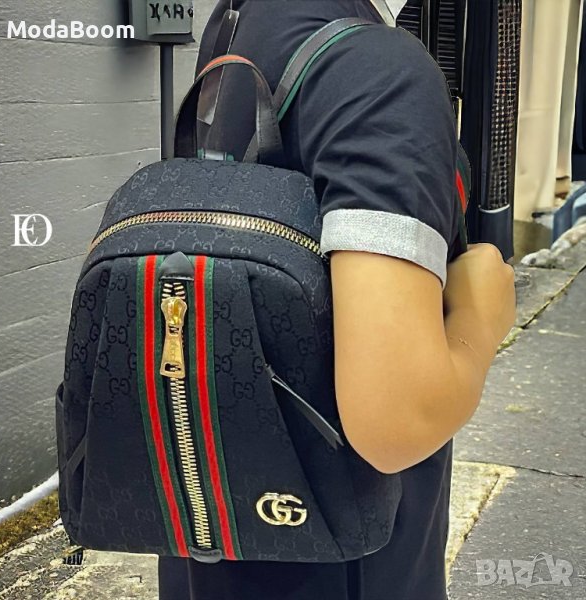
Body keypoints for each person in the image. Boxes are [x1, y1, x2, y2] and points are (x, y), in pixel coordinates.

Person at [158, 1, 516, 598]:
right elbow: (396, 421)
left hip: (209, 533)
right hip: (345, 564)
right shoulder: (380, 71)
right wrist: (479, 322)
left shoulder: (238, 26)